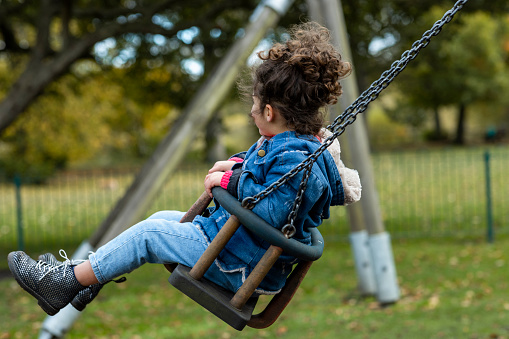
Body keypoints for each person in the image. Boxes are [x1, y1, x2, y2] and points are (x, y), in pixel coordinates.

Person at [7, 21, 361, 316]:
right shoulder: (292, 146)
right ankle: (85, 281)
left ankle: (61, 283)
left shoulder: (297, 159)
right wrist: (237, 164)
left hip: (239, 264)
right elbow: (264, 174)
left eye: (254, 105)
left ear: (269, 112)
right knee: (161, 217)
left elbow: (271, 208)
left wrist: (230, 180)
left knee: (148, 235)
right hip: (237, 248)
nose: (251, 112)